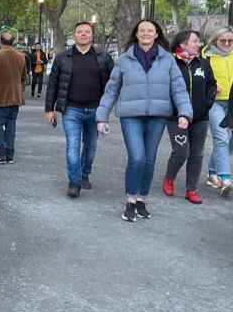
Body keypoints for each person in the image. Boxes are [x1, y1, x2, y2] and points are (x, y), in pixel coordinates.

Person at [96, 19, 192, 222]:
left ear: (156, 34)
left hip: (157, 116)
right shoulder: (124, 59)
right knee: (137, 158)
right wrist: (101, 117)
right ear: (136, 34)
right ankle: (130, 200)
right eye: (142, 30)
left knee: (149, 160)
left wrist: (184, 113)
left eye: (150, 30)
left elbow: (179, 89)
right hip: (131, 116)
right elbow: (111, 90)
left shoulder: (168, 60)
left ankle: (141, 199)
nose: (146, 33)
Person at [45, 21, 114, 198]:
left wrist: (107, 110)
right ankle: (74, 182)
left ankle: (84, 174)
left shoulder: (104, 57)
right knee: (73, 147)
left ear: (92, 35)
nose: (83, 34)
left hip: (96, 111)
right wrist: (49, 109)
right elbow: (53, 84)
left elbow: (112, 85)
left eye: (87, 32)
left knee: (90, 148)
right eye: (80, 31)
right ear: (74, 35)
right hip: (71, 110)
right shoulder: (62, 58)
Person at [161, 30, 216, 204]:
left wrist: (207, 103)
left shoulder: (203, 63)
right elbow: (163, 87)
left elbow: (212, 84)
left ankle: (191, 189)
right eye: (195, 41)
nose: (199, 44)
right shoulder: (170, 63)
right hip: (175, 117)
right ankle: (169, 178)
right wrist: (171, 108)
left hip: (200, 118)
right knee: (181, 151)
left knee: (197, 154)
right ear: (183, 44)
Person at [0, 31, 27, 164]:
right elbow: (24, 77)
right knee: (11, 127)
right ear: (13, 42)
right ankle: (9, 155)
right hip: (15, 97)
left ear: (0, 41)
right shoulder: (21, 56)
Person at [202, 27, 233, 197]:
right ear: (215, 40)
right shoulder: (206, 57)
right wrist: (213, 87)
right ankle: (226, 179)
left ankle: (212, 173)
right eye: (223, 40)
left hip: (232, 103)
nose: (227, 43)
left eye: (230, 40)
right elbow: (201, 80)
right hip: (215, 103)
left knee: (227, 139)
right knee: (221, 138)